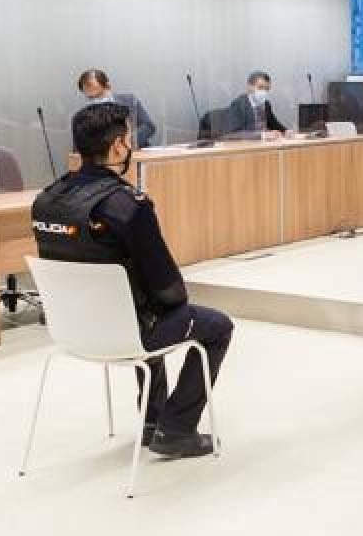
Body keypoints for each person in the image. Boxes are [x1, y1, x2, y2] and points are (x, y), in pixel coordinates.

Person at [31, 103, 233, 458]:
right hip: (127, 332)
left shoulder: (45, 201)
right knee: (216, 326)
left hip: (71, 331)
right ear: (118, 146)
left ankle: (152, 421)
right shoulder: (127, 205)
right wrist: (173, 305)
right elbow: (168, 287)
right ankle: (176, 429)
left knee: (145, 310)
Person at [76, 69, 157, 148]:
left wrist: (128, 141)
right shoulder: (83, 116)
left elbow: (149, 126)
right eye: (90, 98)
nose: (95, 101)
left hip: (136, 152)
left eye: (98, 96)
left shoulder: (129, 101)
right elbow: (80, 146)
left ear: (108, 86)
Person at [225, 70, 290, 140]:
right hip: (249, 145)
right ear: (249, 87)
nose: (264, 92)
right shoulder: (238, 105)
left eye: (267, 89)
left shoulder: (266, 104)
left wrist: (285, 131)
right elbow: (232, 133)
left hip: (265, 144)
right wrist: (263, 135)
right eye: (260, 87)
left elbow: (274, 124)